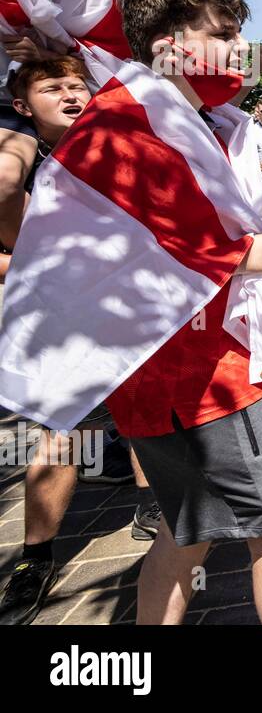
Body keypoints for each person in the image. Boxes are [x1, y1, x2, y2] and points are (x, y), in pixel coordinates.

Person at [0, 0, 262, 624]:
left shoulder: (140, 117)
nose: (240, 49)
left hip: (154, 383)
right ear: (170, 46)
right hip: (210, 374)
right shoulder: (145, 125)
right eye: (224, 35)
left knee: (185, 532)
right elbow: (218, 253)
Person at [0, 57, 159, 626]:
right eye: (52, 88)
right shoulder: (18, 166)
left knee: (143, 416)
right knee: (65, 436)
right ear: (21, 106)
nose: (71, 94)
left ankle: (150, 505)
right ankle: (35, 557)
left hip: (132, 316)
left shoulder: (114, 150)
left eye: (77, 85)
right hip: (66, 331)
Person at [0, 0, 131, 253]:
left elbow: (111, 64)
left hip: (75, 103)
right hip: (8, 102)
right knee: (5, 183)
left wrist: (44, 55)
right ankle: (36, 266)